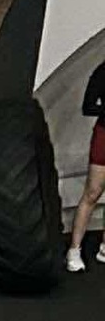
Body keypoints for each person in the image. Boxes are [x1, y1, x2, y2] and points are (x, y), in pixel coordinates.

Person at [66, 57, 105, 273]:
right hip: (104, 135)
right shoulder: (102, 71)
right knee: (92, 192)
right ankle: (74, 250)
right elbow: (88, 107)